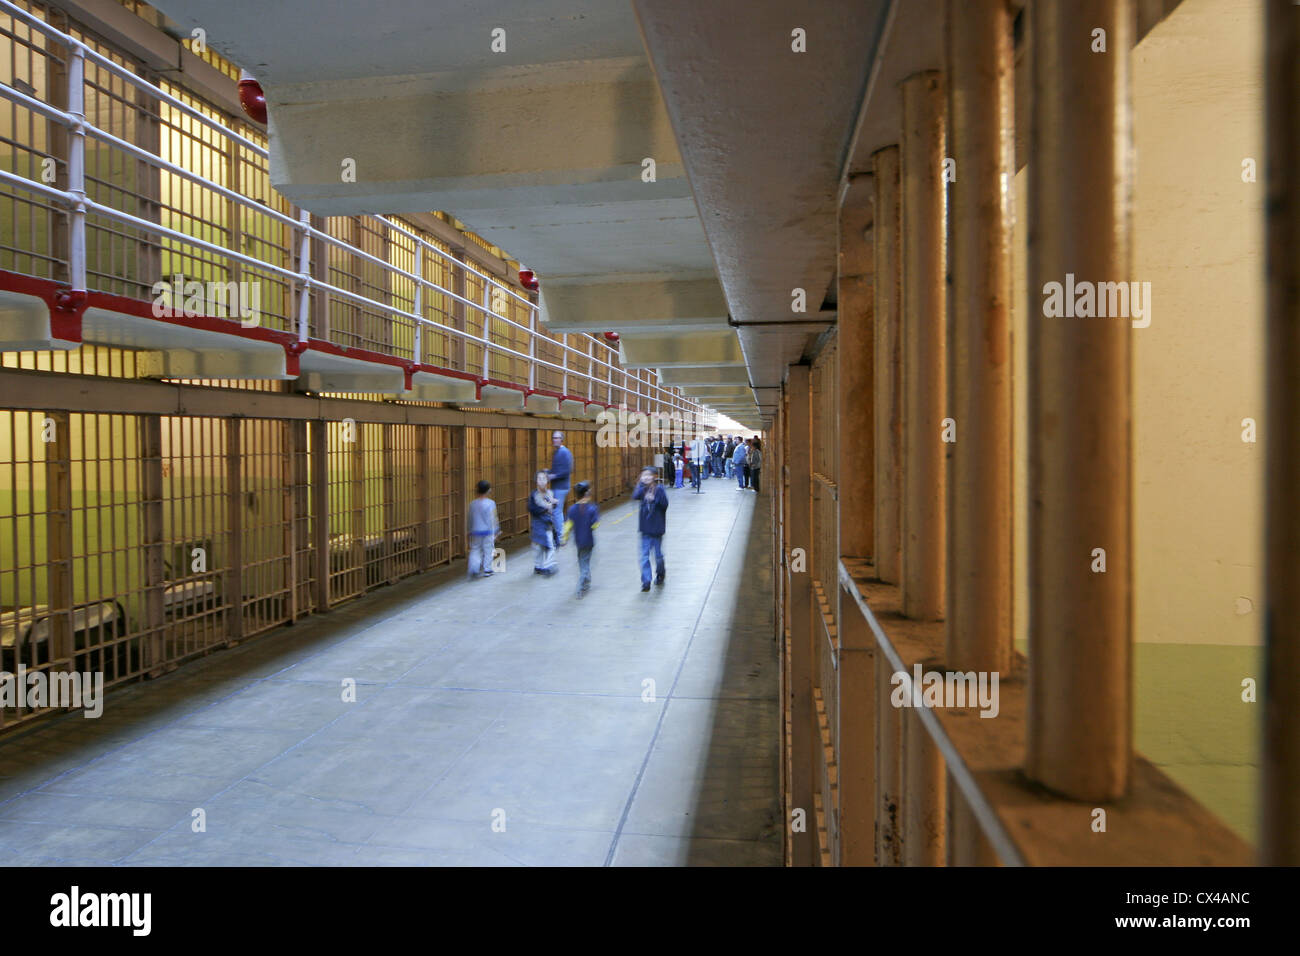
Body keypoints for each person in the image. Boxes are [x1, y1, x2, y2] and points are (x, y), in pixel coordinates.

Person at [632, 467, 669, 591]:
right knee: (644, 556)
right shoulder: (642, 489)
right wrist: (640, 484)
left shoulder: (659, 490)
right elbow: (635, 496)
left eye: (649, 475)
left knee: (658, 556)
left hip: (657, 529)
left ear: (654, 476)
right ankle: (646, 581)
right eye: (644, 475)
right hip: (645, 529)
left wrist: (655, 500)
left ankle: (660, 572)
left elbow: (665, 504)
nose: (646, 477)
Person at [562, 480, 599, 597]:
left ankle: (587, 581)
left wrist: (564, 539)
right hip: (589, 540)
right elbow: (595, 525)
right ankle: (581, 586)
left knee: (582, 562)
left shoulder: (572, 510)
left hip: (578, 541)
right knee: (585, 563)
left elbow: (567, 526)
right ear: (587, 493)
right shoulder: (592, 508)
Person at [467, 479, 500, 578]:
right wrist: (496, 531)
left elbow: (470, 518)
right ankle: (487, 569)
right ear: (488, 490)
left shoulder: (472, 504)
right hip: (488, 531)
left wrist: (469, 530)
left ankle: (474, 568)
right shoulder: (491, 503)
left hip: (476, 531)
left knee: (475, 550)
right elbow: (493, 518)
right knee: (488, 550)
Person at [527, 470, 558, 575]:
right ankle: (538, 566)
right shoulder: (534, 495)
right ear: (536, 481)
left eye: (544, 478)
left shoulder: (550, 494)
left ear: (547, 481)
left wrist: (553, 504)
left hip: (548, 524)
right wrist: (545, 508)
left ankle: (548, 565)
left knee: (549, 545)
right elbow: (531, 509)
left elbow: (552, 506)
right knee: (538, 547)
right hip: (537, 523)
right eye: (539, 479)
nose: (541, 481)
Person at [548, 431, 572, 547]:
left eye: (557, 438)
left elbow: (568, 470)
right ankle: (561, 534)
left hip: (561, 486)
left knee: (556, 511)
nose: (555, 440)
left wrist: (554, 476)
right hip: (558, 486)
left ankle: (561, 536)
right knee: (558, 511)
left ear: (562, 440)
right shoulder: (558, 452)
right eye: (553, 438)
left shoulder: (564, 452)